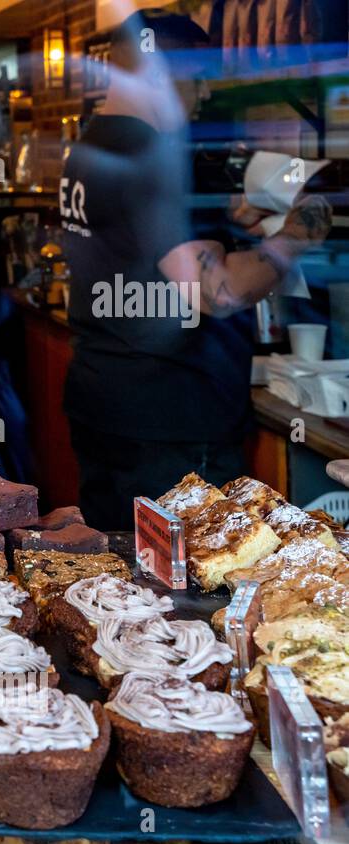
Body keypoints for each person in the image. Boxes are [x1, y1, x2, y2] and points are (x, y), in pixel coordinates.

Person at [60, 9, 331, 530]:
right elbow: (217, 290)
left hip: (108, 402)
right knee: (185, 594)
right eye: (200, 79)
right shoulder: (154, 154)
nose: (204, 95)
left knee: (127, 584)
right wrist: (296, 235)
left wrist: (221, 222)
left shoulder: (91, 147)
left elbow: (139, 245)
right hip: (172, 421)